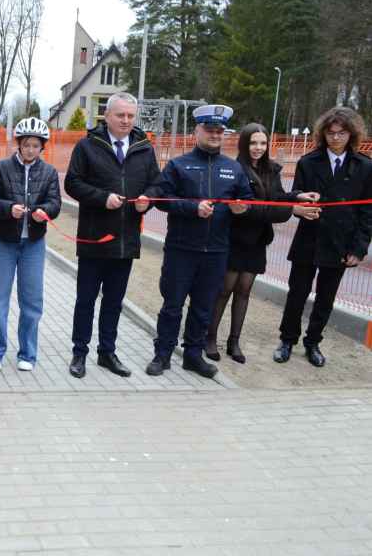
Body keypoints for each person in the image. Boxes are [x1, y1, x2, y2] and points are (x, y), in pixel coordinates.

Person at [146, 105, 253, 379]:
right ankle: (162, 354)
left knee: (203, 308)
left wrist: (242, 208)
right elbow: (161, 199)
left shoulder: (234, 169)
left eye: (219, 131)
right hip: (181, 250)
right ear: (197, 131)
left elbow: (247, 200)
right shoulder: (178, 165)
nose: (215, 135)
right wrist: (192, 208)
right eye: (210, 130)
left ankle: (193, 356)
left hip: (216, 252)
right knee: (172, 306)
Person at [65, 92, 161, 378]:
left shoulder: (144, 148)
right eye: (120, 115)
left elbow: (157, 184)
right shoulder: (87, 146)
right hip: (94, 239)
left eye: (130, 115)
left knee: (113, 302)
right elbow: (72, 183)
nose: (126, 120)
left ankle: (107, 352)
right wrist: (102, 198)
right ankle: (79, 353)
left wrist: (148, 199)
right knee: (86, 300)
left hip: (125, 241)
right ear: (106, 116)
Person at [205, 123, 319, 364]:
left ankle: (234, 341)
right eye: (253, 143)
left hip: (257, 241)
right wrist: (292, 209)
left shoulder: (271, 169)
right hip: (235, 239)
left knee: (244, 291)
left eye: (263, 143)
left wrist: (296, 196)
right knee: (224, 290)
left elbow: (275, 198)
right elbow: (250, 209)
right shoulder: (235, 169)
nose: (258, 147)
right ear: (244, 144)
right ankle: (210, 338)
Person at [274, 107, 372, 367]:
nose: (336, 138)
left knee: (326, 298)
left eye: (342, 133)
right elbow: (295, 196)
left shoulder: (364, 166)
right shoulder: (308, 162)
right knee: (297, 293)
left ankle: (313, 342)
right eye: (331, 133)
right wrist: (301, 206)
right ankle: (287, 340)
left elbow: (367, 212)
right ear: (323, 134)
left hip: (340, 243)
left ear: (351, 134)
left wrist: (359, 248)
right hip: (309, 238)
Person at [0, 117, 61, 372]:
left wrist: (44, 211)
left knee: (32, 299)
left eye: (35, 145)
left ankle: (27, 353)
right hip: (4, 241)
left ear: (42, 147)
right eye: (26, 145)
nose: (30, 150)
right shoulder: (1, 168)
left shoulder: (49, 172)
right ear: (19, 144)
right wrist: (8, 209)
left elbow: (55, 203)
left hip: (33, 243)